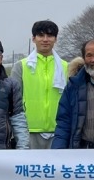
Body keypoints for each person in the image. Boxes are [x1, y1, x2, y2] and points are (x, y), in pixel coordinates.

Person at [12, 20, 67, 150]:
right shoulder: (21, 66)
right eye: (41, 36)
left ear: (55, 39)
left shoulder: (66, 67)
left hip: (58, 131)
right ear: (34, 38)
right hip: (28, 131)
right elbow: (13, 101)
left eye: (50, 36)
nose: (45, 39)